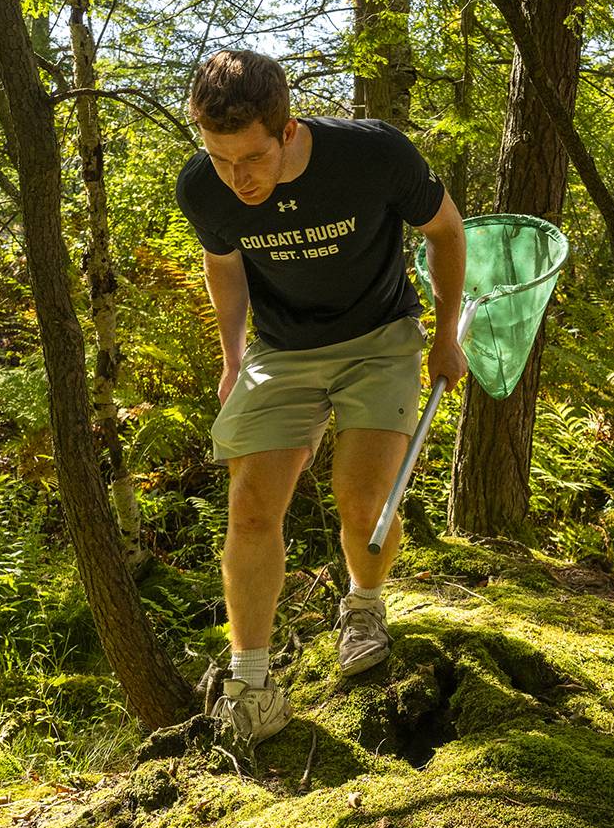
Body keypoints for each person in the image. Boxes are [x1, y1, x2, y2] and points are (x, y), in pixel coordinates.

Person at [176, 50, 467, 745]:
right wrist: (232, 356)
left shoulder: (372, 156)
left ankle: (364, 603)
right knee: (250, 504)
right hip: (282, 348)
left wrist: (446, 333)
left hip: (380, 337)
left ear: (286, 130)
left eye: (249, 158)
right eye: (219, 158)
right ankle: (252, 684)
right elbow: (224, 267)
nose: (236, 178)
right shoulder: (204, 188)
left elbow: (447, 230)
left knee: (363, 499)